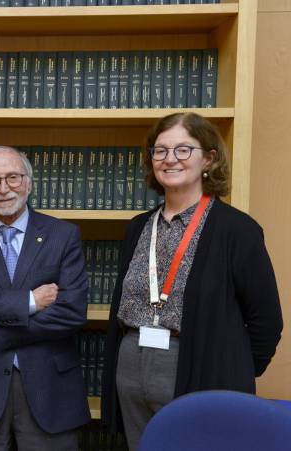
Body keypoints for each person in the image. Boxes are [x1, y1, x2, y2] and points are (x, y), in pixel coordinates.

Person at [101, 112, 283, 450]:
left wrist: (232, 369)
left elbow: (266, 320)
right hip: (132, 360)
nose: (170, 159)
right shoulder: (138, 227)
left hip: (199, 363)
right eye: (160, 150)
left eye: (183, 150)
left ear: (208, 159)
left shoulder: (237, 230)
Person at [0, 145, 90, 450]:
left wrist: (0, 327)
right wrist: (30, 303)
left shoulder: (64, 235)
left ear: (29, 182)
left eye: (13, 177)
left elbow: (72, 312)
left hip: (50, 388)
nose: (4, 189)